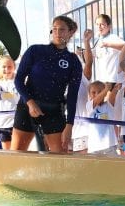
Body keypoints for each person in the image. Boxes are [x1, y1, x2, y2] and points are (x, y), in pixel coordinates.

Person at [12, 15, 84, 153]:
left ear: (71, 32)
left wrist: (69, 125)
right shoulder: (35, 51)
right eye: (54, 29)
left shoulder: (73, 61)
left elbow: (72, 95)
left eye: (62, 29)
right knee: (17, 154)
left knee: (60, 155)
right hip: (28, 107)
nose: (57, 32)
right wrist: (30, 102)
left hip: (53, 110)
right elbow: (18, 79)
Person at [92, 14, 125, 90]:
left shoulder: (112, 37)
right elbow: (94, 54)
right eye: (97, 24)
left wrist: (108, 44)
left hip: (113, 79)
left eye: (102, 24)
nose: (99, 27)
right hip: (101, 80)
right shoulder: (98, 40)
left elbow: (124, 46)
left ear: (109, 26)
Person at [0, 56, 18, 149]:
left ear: (14, 67)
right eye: (3, 67)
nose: (6, 69)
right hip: (3, 122)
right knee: (7, 151)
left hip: (17, 121)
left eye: (9, 67)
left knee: (18, 150)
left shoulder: (19, 80)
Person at [86, 80, 118, 155]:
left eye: (100, 92)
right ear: (89, 94)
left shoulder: (109, 105)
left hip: (109, 145)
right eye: (93, 92)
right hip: (94, 147)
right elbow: (96, 100)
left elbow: (113, 94)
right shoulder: (89, 105)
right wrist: (106, 89)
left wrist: (114, 87)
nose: (97, 94)